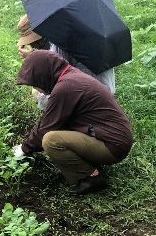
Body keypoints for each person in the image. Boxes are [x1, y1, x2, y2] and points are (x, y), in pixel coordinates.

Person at [13, 50, 133, 195]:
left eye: (34, 83)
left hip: (112, 145)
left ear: (42, 74)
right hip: (110, 137)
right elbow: (49, 118)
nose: (36, 88)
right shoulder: (70, 76)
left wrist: (24, 149)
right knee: (58, 131)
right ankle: (90, 162)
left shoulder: (66, 87)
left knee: (51, 140)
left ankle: (91, 177)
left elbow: (46, 126)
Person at [17, 14, 115, 104]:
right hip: (105, 90)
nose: (36, 46)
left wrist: (32, 57)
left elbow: (53, 74)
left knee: (39, 93)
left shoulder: (60, 41)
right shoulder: (75, 28)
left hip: (88, 96)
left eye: (35, 43)